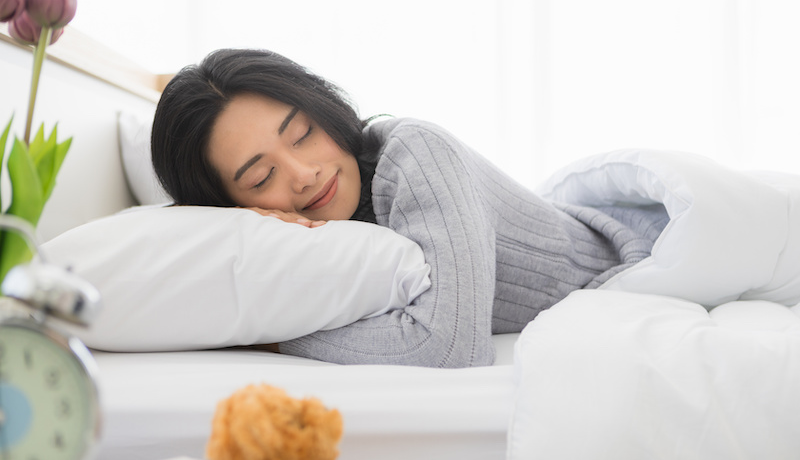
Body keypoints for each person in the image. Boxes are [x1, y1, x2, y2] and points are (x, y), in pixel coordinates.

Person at [151, 48, 669, 368]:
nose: (303, 173)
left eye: (304, 134)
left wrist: (273, 344)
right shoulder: (303, 245)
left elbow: (449, 346)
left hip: (638, 253)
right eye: (262, 176)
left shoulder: (413, 153)